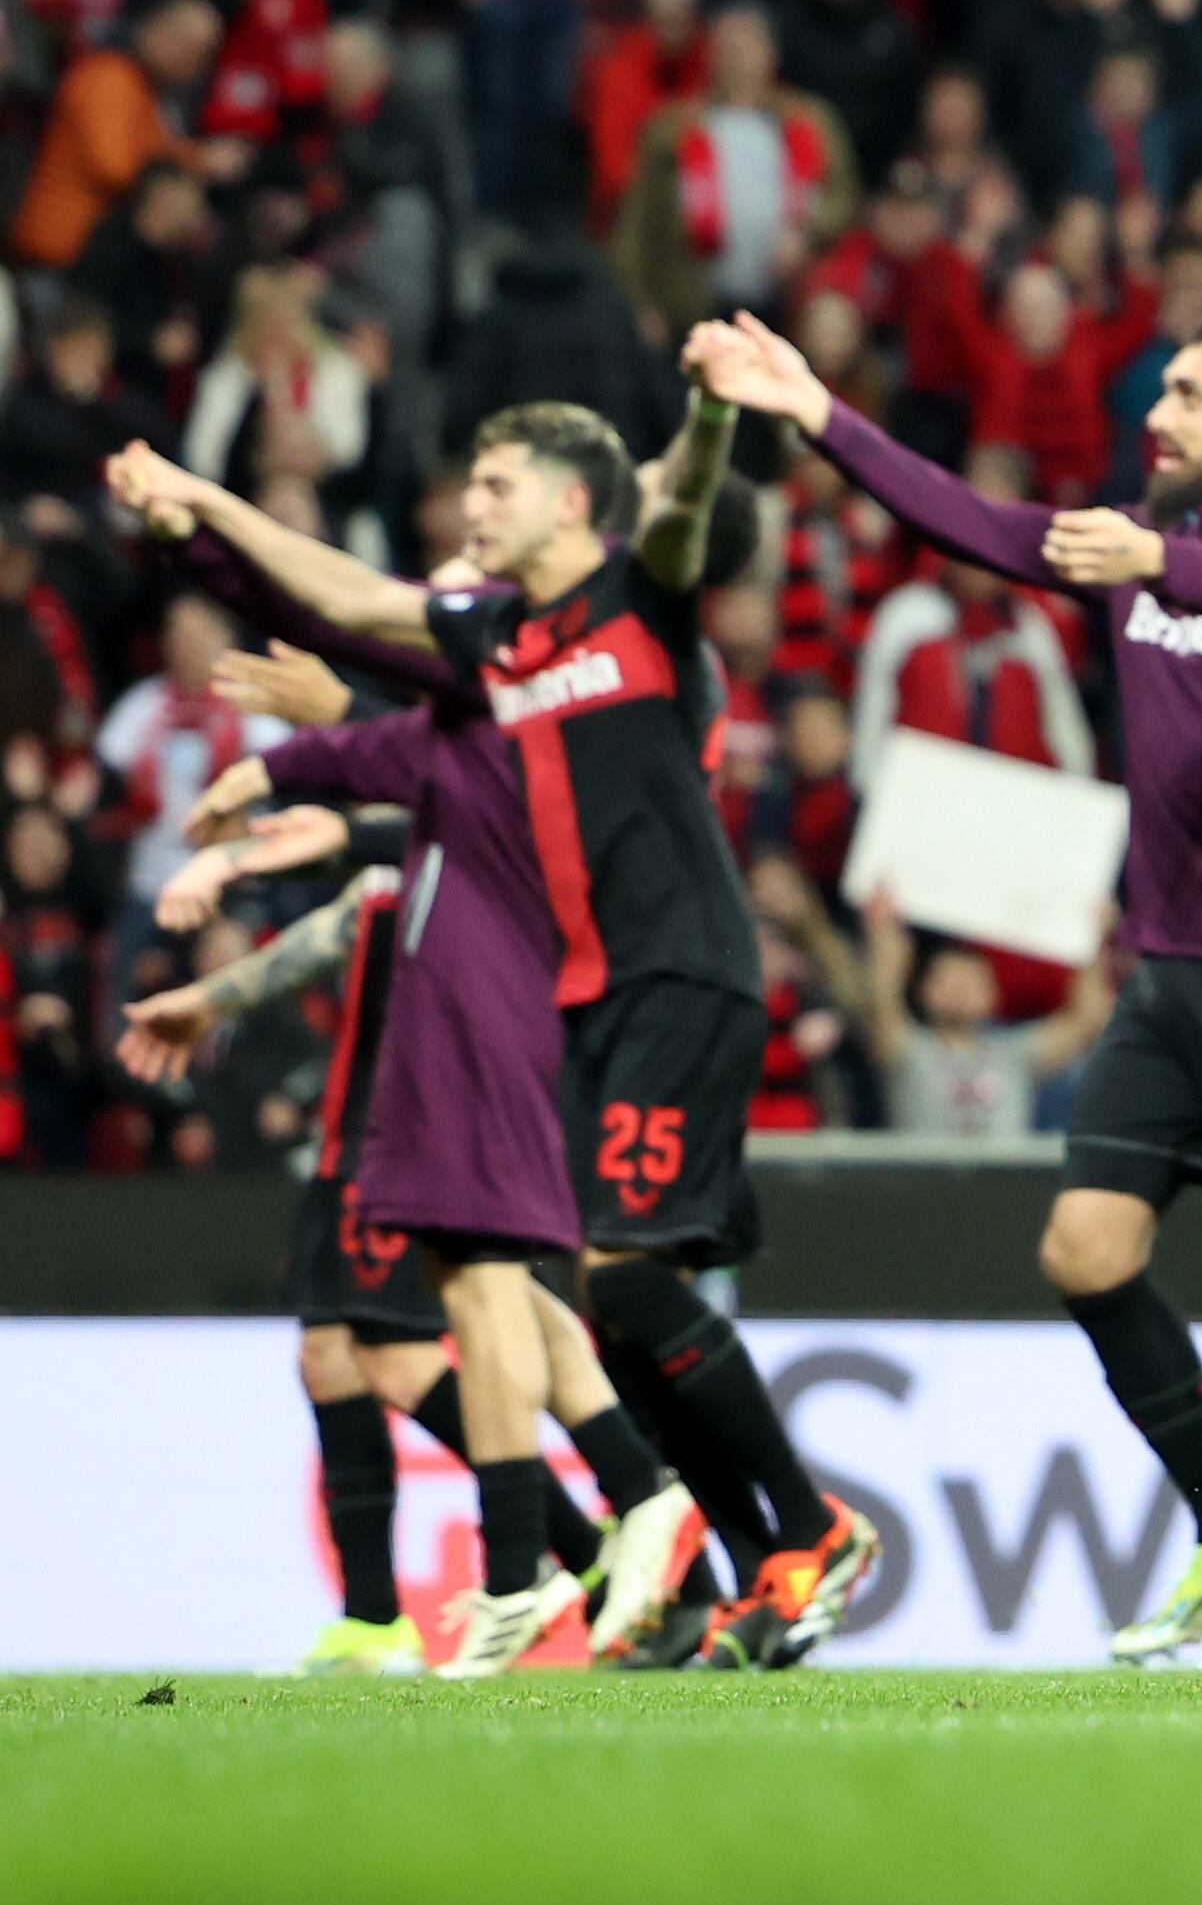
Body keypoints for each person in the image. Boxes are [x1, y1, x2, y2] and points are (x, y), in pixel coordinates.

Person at [690, 305, 1202, 1672]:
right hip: (1168, 964)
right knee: (1084, 1248)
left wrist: (1163, 562)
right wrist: (817, 412)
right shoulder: (1136, 543)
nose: (1157, 414)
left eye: (1186, 393)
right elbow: (973, 521)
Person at [121, 402, 877, 1674]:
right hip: (584, 990)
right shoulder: (507, 643)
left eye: (497, 481)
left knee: (613, 1277)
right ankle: (727, 1568)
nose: (472, 504)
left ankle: (808, 1526)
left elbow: (677, 512)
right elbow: (359, 611)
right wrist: (205, 524)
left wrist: (706, 410)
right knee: (589, 1293)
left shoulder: (649, 617)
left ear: (587, 508)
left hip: (676, 972)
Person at [112, 840, 635, 1672]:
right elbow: (343, 922)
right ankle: (373, 1616)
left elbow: (353, 915)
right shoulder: (413, 845)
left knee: (394, 1355)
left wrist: (226, 923)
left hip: (396, 1139)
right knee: (330, 1357)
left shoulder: (449, 834)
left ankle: (579, 1551)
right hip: (351, 1140)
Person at [839, 906, 1117, 1141]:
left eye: (971, 981)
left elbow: (1086, 1020)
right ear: (924, 990)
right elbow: (881, 998)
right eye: (947, 980)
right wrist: (883, 930)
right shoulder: (906, 1049)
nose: (959, 989)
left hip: (1001, 1193)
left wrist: (1095, 938)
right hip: (926, 1193)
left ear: (992, 996)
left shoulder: (1015, 1054)